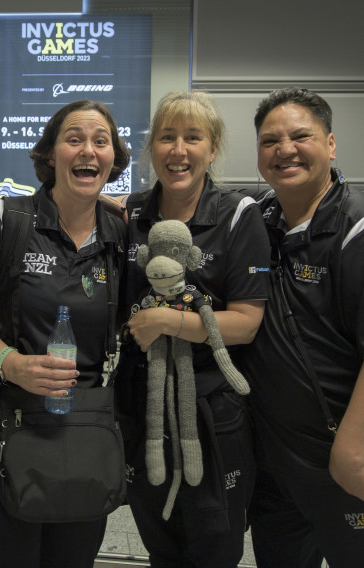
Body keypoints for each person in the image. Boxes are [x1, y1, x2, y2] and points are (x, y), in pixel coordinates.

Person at [0, 99, 130, 568]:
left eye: (100, 141)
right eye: (74, 139)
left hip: (81, 434)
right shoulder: (4, 221)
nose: (88, 150)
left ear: (113, 158)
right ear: (50, 155)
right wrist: (12, 363)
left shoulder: (123, 235)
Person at [114, 91, 270, 567]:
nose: (178, 150)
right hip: (142, 406)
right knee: (159, 540)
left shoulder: (238, 215)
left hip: (209, 410)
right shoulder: (131, 214)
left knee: (212, 545)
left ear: (212, 148)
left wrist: (168, 320)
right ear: (150, 148)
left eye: (192, 137)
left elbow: (245, 324)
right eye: (167, 137)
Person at [240, 87, 364, 567]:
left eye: (300, 136)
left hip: (339, 459)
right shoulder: (257, 221)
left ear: (330, 144)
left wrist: (352, 450)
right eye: (270, 140)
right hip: (274, 466)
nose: (284, 149)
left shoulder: (354, 233)